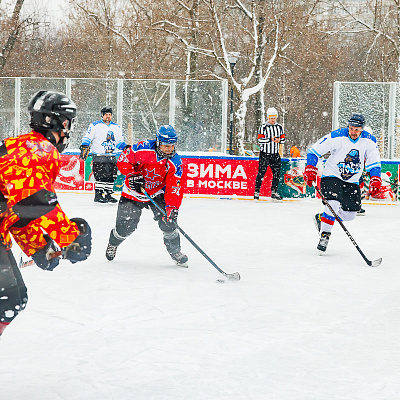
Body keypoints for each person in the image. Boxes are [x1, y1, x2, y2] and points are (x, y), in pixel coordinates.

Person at [0, 90, 92, 337]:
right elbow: (37, 201)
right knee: (7, 301)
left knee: (13, 300)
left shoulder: (23, 146)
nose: (67, 131)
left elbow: (19, 214)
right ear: (56, 122)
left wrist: (41, 247)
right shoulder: (39, 150)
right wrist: (70, 238)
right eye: (66, 124)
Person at [105, 125, 188, 267]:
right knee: (125, 228)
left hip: (157, 193)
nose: (169, 149)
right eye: (166, 146)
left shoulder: (175, 162)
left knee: (169, 222)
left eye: (172, 146)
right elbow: (123, 160)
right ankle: (113, 243)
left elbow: (174, 188)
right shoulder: (141, 148)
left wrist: (172, 207)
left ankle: (175, 251)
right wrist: (132, 174)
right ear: (158, 142)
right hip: (133, 192)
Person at [304, 113, 381, 253]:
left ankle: (323, 219)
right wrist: (311, 168)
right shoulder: (337, 136)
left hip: (352, 180)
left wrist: (375, 178)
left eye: (357, 130)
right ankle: (325, 236)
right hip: (331, 176)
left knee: (350, 214)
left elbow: (374, 161)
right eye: (351, 128)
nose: (353, 132)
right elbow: (313, 151)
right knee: (333, 204)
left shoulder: (370, 141)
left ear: (362, 129)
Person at [79, 106, 128, 203]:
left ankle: (108, 194)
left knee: (111, 176)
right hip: (99, 155)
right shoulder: (95, 125)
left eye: (110, 115)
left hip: (111, 155)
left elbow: (119, 142)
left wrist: (125, 147)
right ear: (102, 115)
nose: (108, 116)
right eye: (106, 114)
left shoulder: (116, 127)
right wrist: (85, 145)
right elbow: (88, 137)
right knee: (101, 176)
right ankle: (98, 195)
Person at [254, 107, 286, 201]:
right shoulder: (263, 127)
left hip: (275, 154)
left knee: (276, 174)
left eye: (274, 118)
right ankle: (256, 192)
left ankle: (274, 192)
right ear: (268, 118)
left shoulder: (279, 127)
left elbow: (283, 139)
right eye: (271, 118)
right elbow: (260, 139)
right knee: (261, 173)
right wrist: (270, 139)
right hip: (265, 153)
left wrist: (279, 140)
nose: (273, 120)